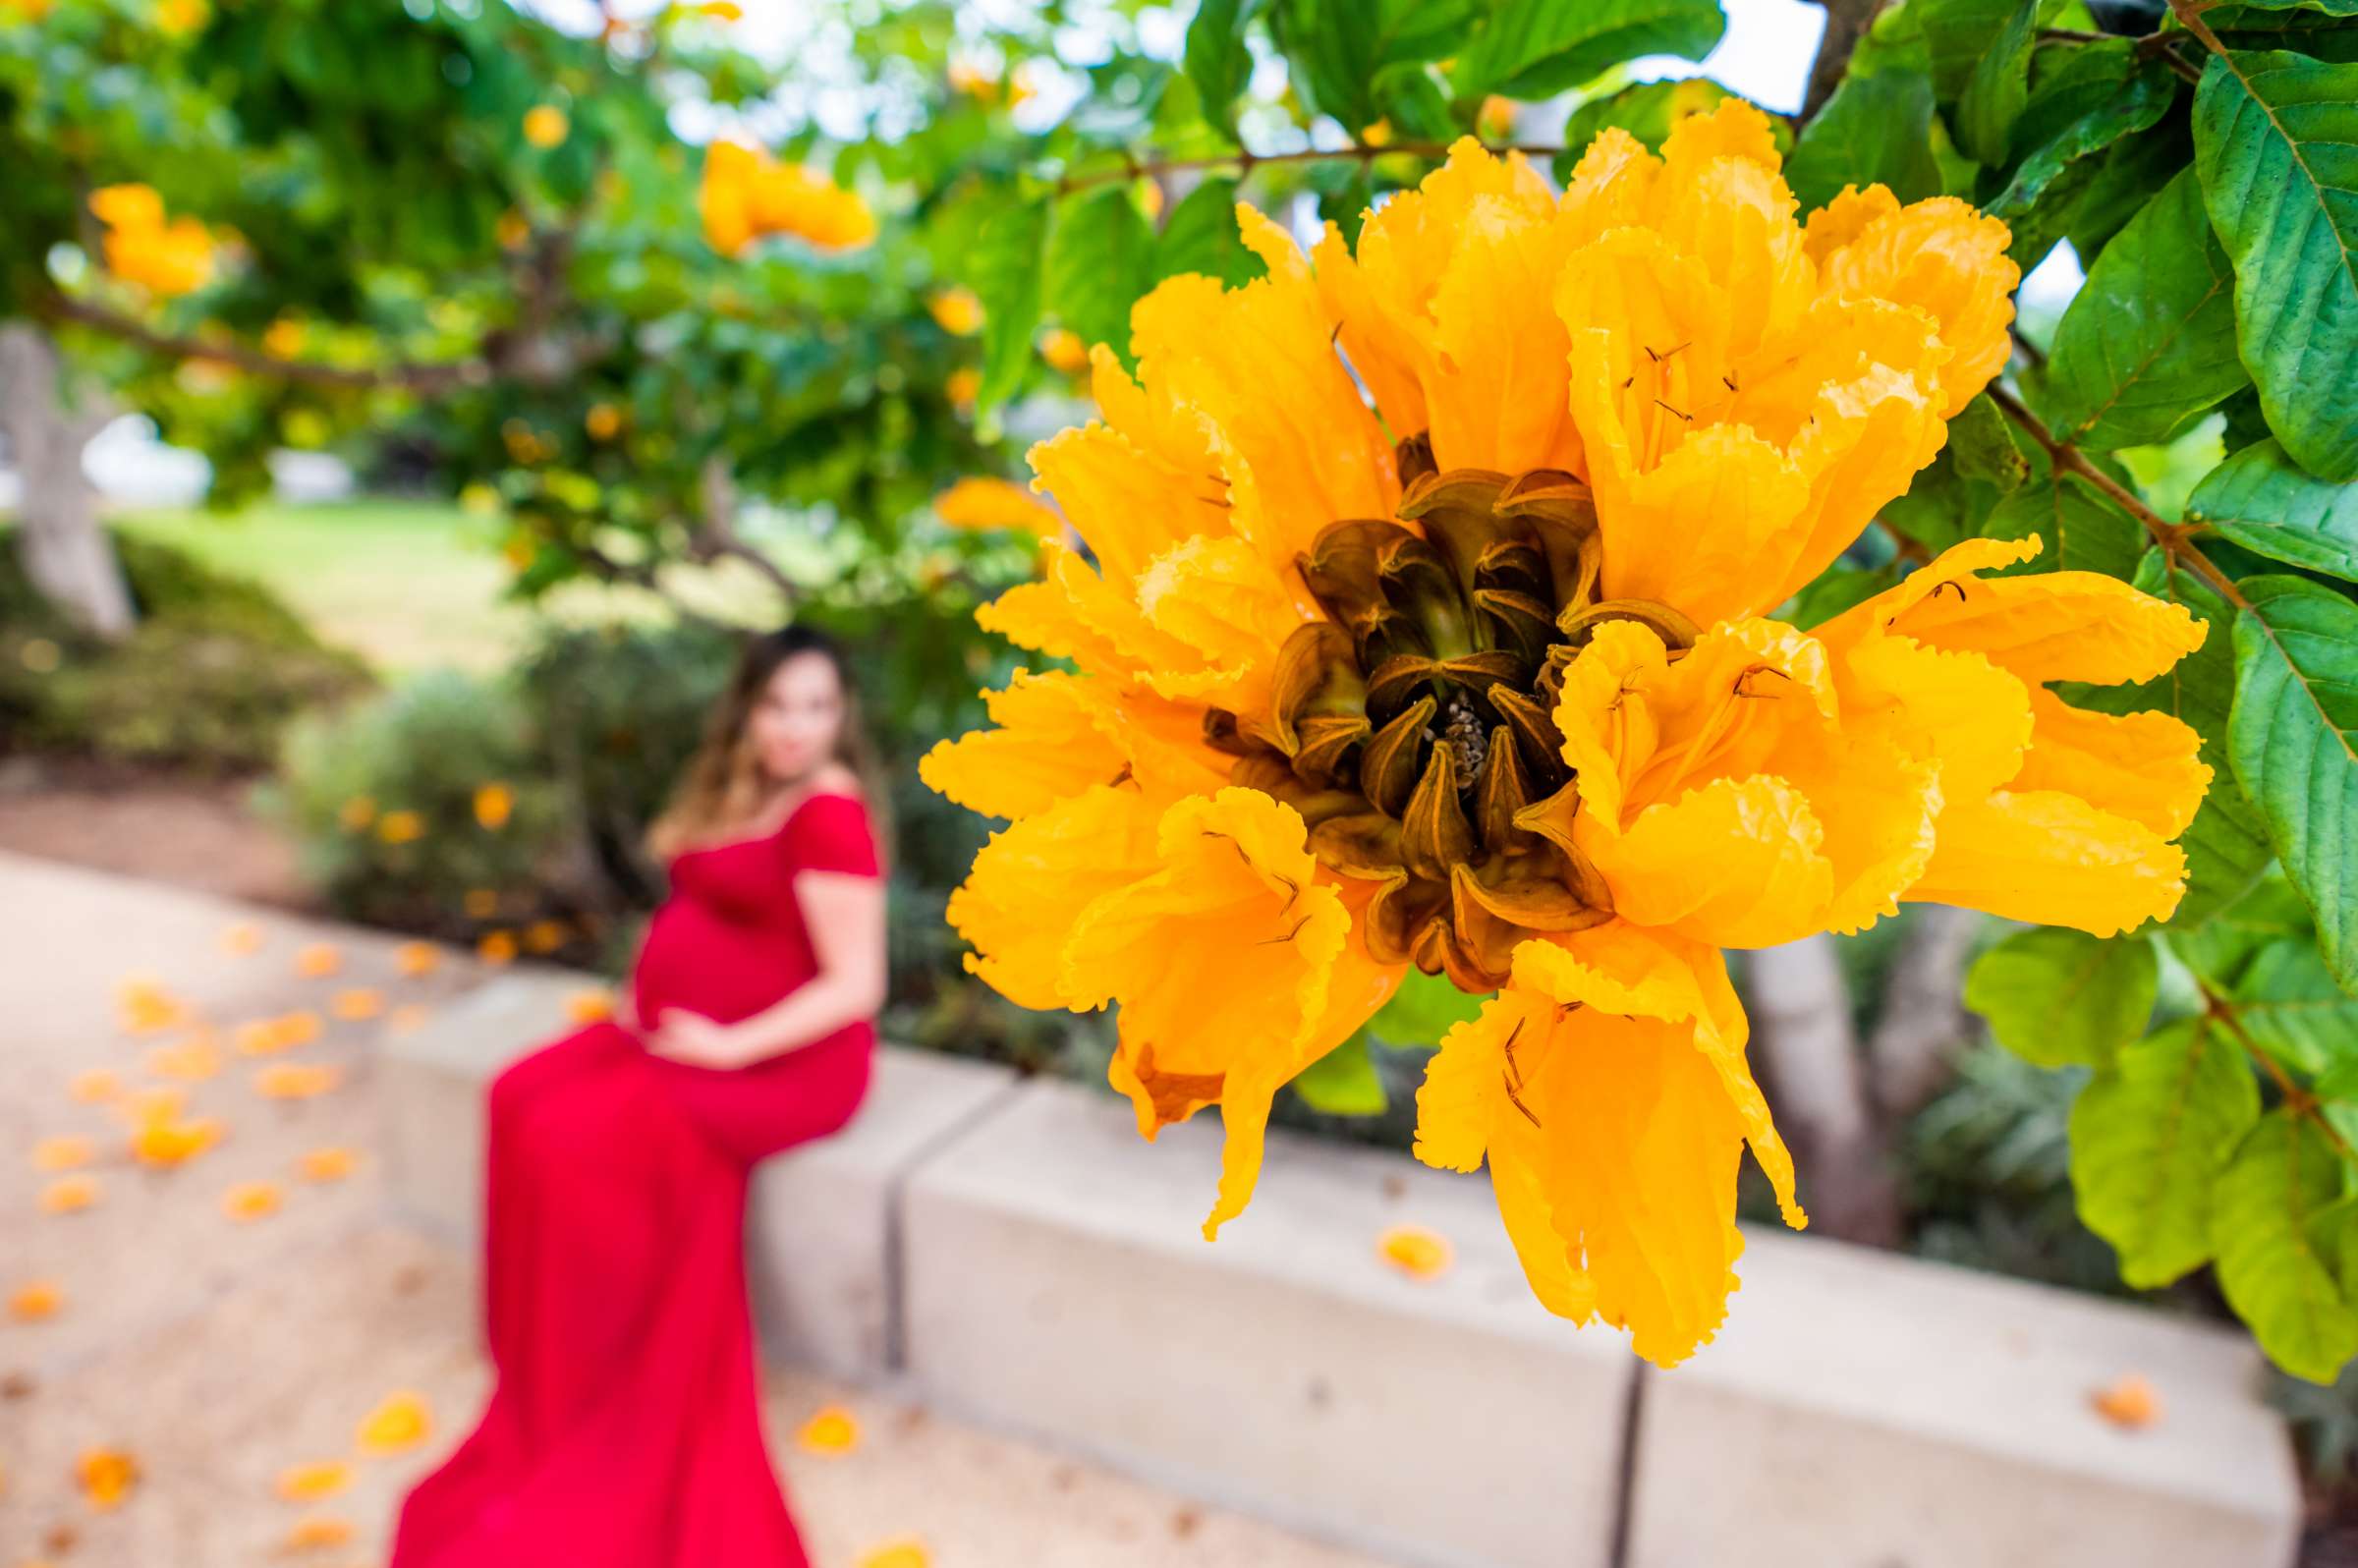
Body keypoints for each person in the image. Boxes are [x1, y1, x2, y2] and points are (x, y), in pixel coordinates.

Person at [389, 626, 889, 1568]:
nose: (796, 727)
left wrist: (730, 1044)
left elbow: (855, 986)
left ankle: (607, 1375)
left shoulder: (830, 814)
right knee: (520, 1096)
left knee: (579, 1141)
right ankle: (549, 1368)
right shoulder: (747, 788)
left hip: (787, 1065)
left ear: (841, 716)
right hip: (687, 1035)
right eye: (779, 704)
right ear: (746, 707)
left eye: (818, 707)